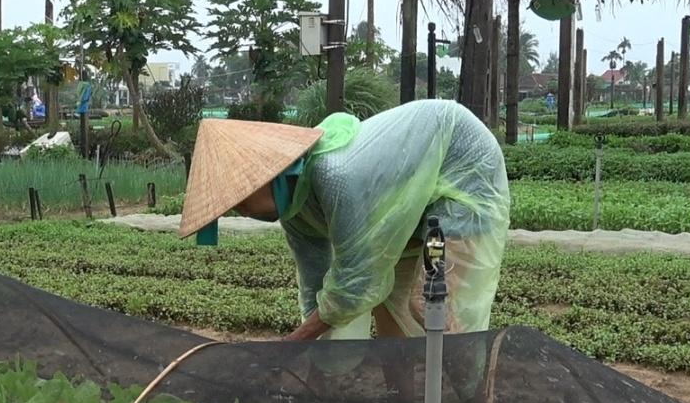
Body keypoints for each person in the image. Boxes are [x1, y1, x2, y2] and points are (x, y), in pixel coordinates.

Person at [179, 99, 511, 341]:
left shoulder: (332, 176)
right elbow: (316, 282)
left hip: (461, 171)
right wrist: (314, 354)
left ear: (266, 176)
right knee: (389, 314)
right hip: (410, 203)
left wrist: (294, 343)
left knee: (430, 304)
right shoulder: (294, 208)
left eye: (241, 200)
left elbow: (357, 281)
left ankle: (471, 399)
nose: (242, 212)